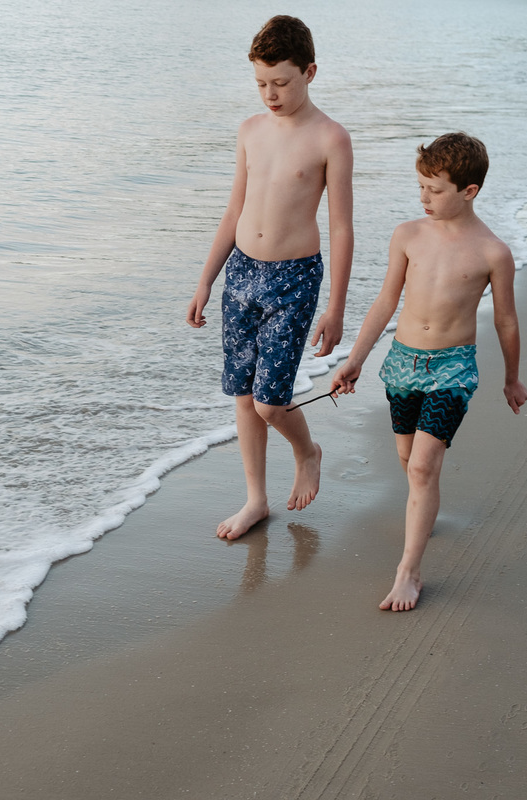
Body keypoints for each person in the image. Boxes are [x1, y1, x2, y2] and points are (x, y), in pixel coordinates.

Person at [330, 132, 527, 611]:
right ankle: (427, 505)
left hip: (452, 369)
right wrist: (354, 358)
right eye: (420, 187)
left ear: (469, 191)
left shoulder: (492, 252)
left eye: (435, 190)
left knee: (421, 465)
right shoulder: (408, 235)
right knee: (408, 460)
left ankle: (409, 572)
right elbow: (385, 301)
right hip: (402, 362)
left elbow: (505, 319)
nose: (424, 199)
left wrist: (511, 377)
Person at [186, 15, 353, 540]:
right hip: (240, 272)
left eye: (281, 82)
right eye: (261, 83)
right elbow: (234, 209)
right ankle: (255, 498)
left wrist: (336, 307)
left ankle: (307, 451)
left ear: (310, 71)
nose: (270, 94)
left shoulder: (330, 138)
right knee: (241, 392)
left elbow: (342, 229)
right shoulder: (250, 131)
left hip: (294, 281)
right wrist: (206, 280)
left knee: (269, 400)